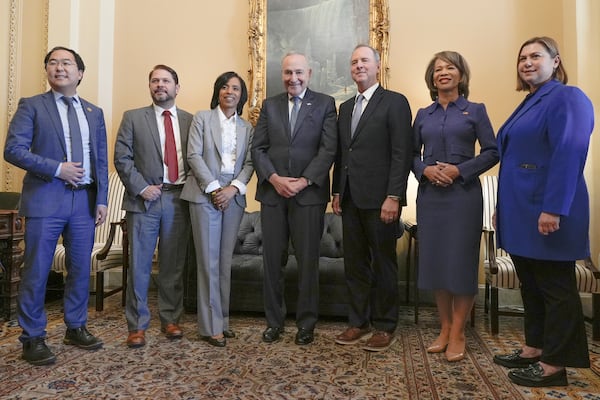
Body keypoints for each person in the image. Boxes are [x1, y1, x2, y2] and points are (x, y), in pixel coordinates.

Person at [492, 36, 594, 387]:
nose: (527, 62)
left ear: (555, 60)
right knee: (531, 285)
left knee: (555, 288)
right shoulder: (531, 101)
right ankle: (534, 347)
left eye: (536, 55)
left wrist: (553, 208)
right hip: (522, 213)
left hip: (548, 212)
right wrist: (501, 209)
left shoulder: (567, 97)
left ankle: (555, 365)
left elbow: (568, 153)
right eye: (522, 57)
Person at [4, 46, 108, 365]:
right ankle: (32, 336)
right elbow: (13, 150)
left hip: (84, 201)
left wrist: (102, 198)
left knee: (79, 269)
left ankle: (75, 326)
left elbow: (100, 159)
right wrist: (55, 167)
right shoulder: (32, 105)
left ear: (80, 73)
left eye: (67, 63)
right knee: (36, 270)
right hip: (46, 197)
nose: (59, 67)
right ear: (47, 70)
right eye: (53, 62)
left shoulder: (94, 112)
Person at [412, 51, 499, 362]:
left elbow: (492, 152)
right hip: (431, 197)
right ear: (432, 79)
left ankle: (460, 331)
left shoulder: (475, 110)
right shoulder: (423, 114)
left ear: (461, 75)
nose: (443, 73)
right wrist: (425, 170)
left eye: (450, 68)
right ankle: (445, 328)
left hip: (464, 196)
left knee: (460, 263)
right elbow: (411, 155)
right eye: (437, 69)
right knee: (435, 262)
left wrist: (459, 170)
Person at [251, 52, 337, 345]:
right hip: (273, 195)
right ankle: (274, 322)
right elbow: (258, 148)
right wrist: (274, 179)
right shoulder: (269, 105)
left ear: (309, 73)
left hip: (309, 196)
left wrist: (302, 181)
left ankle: (306, 324)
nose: (293, 78)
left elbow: (328, 150)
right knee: (272, 263)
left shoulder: (325, 104)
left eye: (299, 72)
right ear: (282, 74)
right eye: (288, 73)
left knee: (308, 263)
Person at [332, 44, 412, 352]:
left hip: (381, 200)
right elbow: (343, 153)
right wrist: (337, 192)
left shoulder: (394, 102)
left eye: (364, 60)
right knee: (355, 265)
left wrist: (394, 196)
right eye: (354, 62)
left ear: (378, 66)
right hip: (350, 199)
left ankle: (384, 325)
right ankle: (358, 322)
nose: (358, 66)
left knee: (383, 264)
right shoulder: (346, 107)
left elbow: (401, 153)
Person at [114, 64, 193, 348]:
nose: (160, 85)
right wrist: (142, 188)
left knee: (173, 265)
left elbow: (196, 159)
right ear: (150, 86)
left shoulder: (190, 120)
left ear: (177, 87)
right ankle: (137, 326)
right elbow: (122, 158)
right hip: (144, 199)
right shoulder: (133, 117)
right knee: (140, 266)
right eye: (155, 81)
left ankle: (170, 319)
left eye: (166, 81)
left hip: (178, 199)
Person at [180, 72, 254, 347]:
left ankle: (222, 319)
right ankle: (210, 327)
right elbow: (193, 155)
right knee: (208, 262)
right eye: (224, 86)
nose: (229, 91)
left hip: (232, 197)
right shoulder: (202, 118)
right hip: (204, 195)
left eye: (235, 88)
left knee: (224, 262)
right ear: (217, 92)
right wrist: (213, 188)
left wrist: (232, 189)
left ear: (241, 95)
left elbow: (249, 163)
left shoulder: (248, 127)